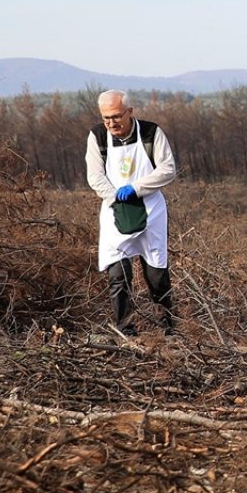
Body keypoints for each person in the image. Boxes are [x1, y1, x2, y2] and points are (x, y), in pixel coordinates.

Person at [86, 90, 178, 336]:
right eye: (106, 118)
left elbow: (168, 169)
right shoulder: (97, 137)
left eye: (116, 116)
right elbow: (95, 176)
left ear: (130, 111)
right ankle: (125, 330)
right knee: (118, 274)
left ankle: (168, 329)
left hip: (151, 209)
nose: (111, 123)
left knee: (157, 273)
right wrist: (115, 196)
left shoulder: (151, 133)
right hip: (115, 211)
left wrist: (136, 188)